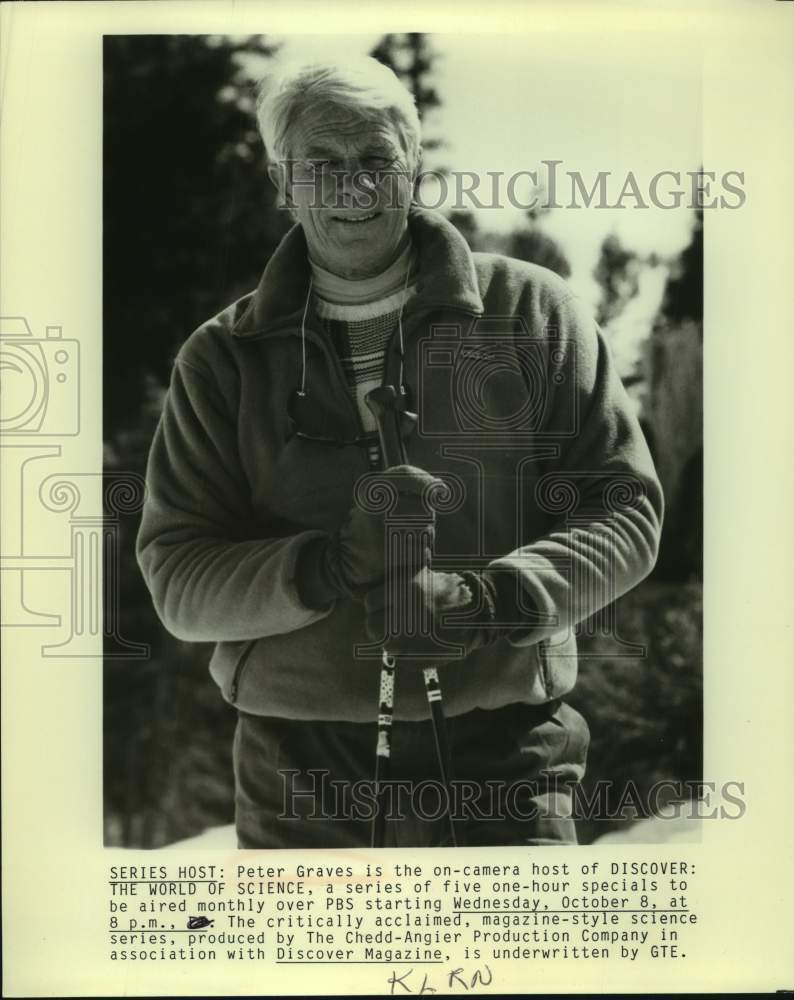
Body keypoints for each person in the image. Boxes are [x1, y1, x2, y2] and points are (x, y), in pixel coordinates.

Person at [136, 55, 663, 849]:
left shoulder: (534, 312)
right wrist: (326, 567)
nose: (353, 187)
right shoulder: (221, 359)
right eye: (322, 165)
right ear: (283, 181)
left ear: (413, 167)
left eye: (376, 160)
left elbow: (627, 511)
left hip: (510, 758)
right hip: (297, 778)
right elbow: (176, 579)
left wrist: (494, 601)